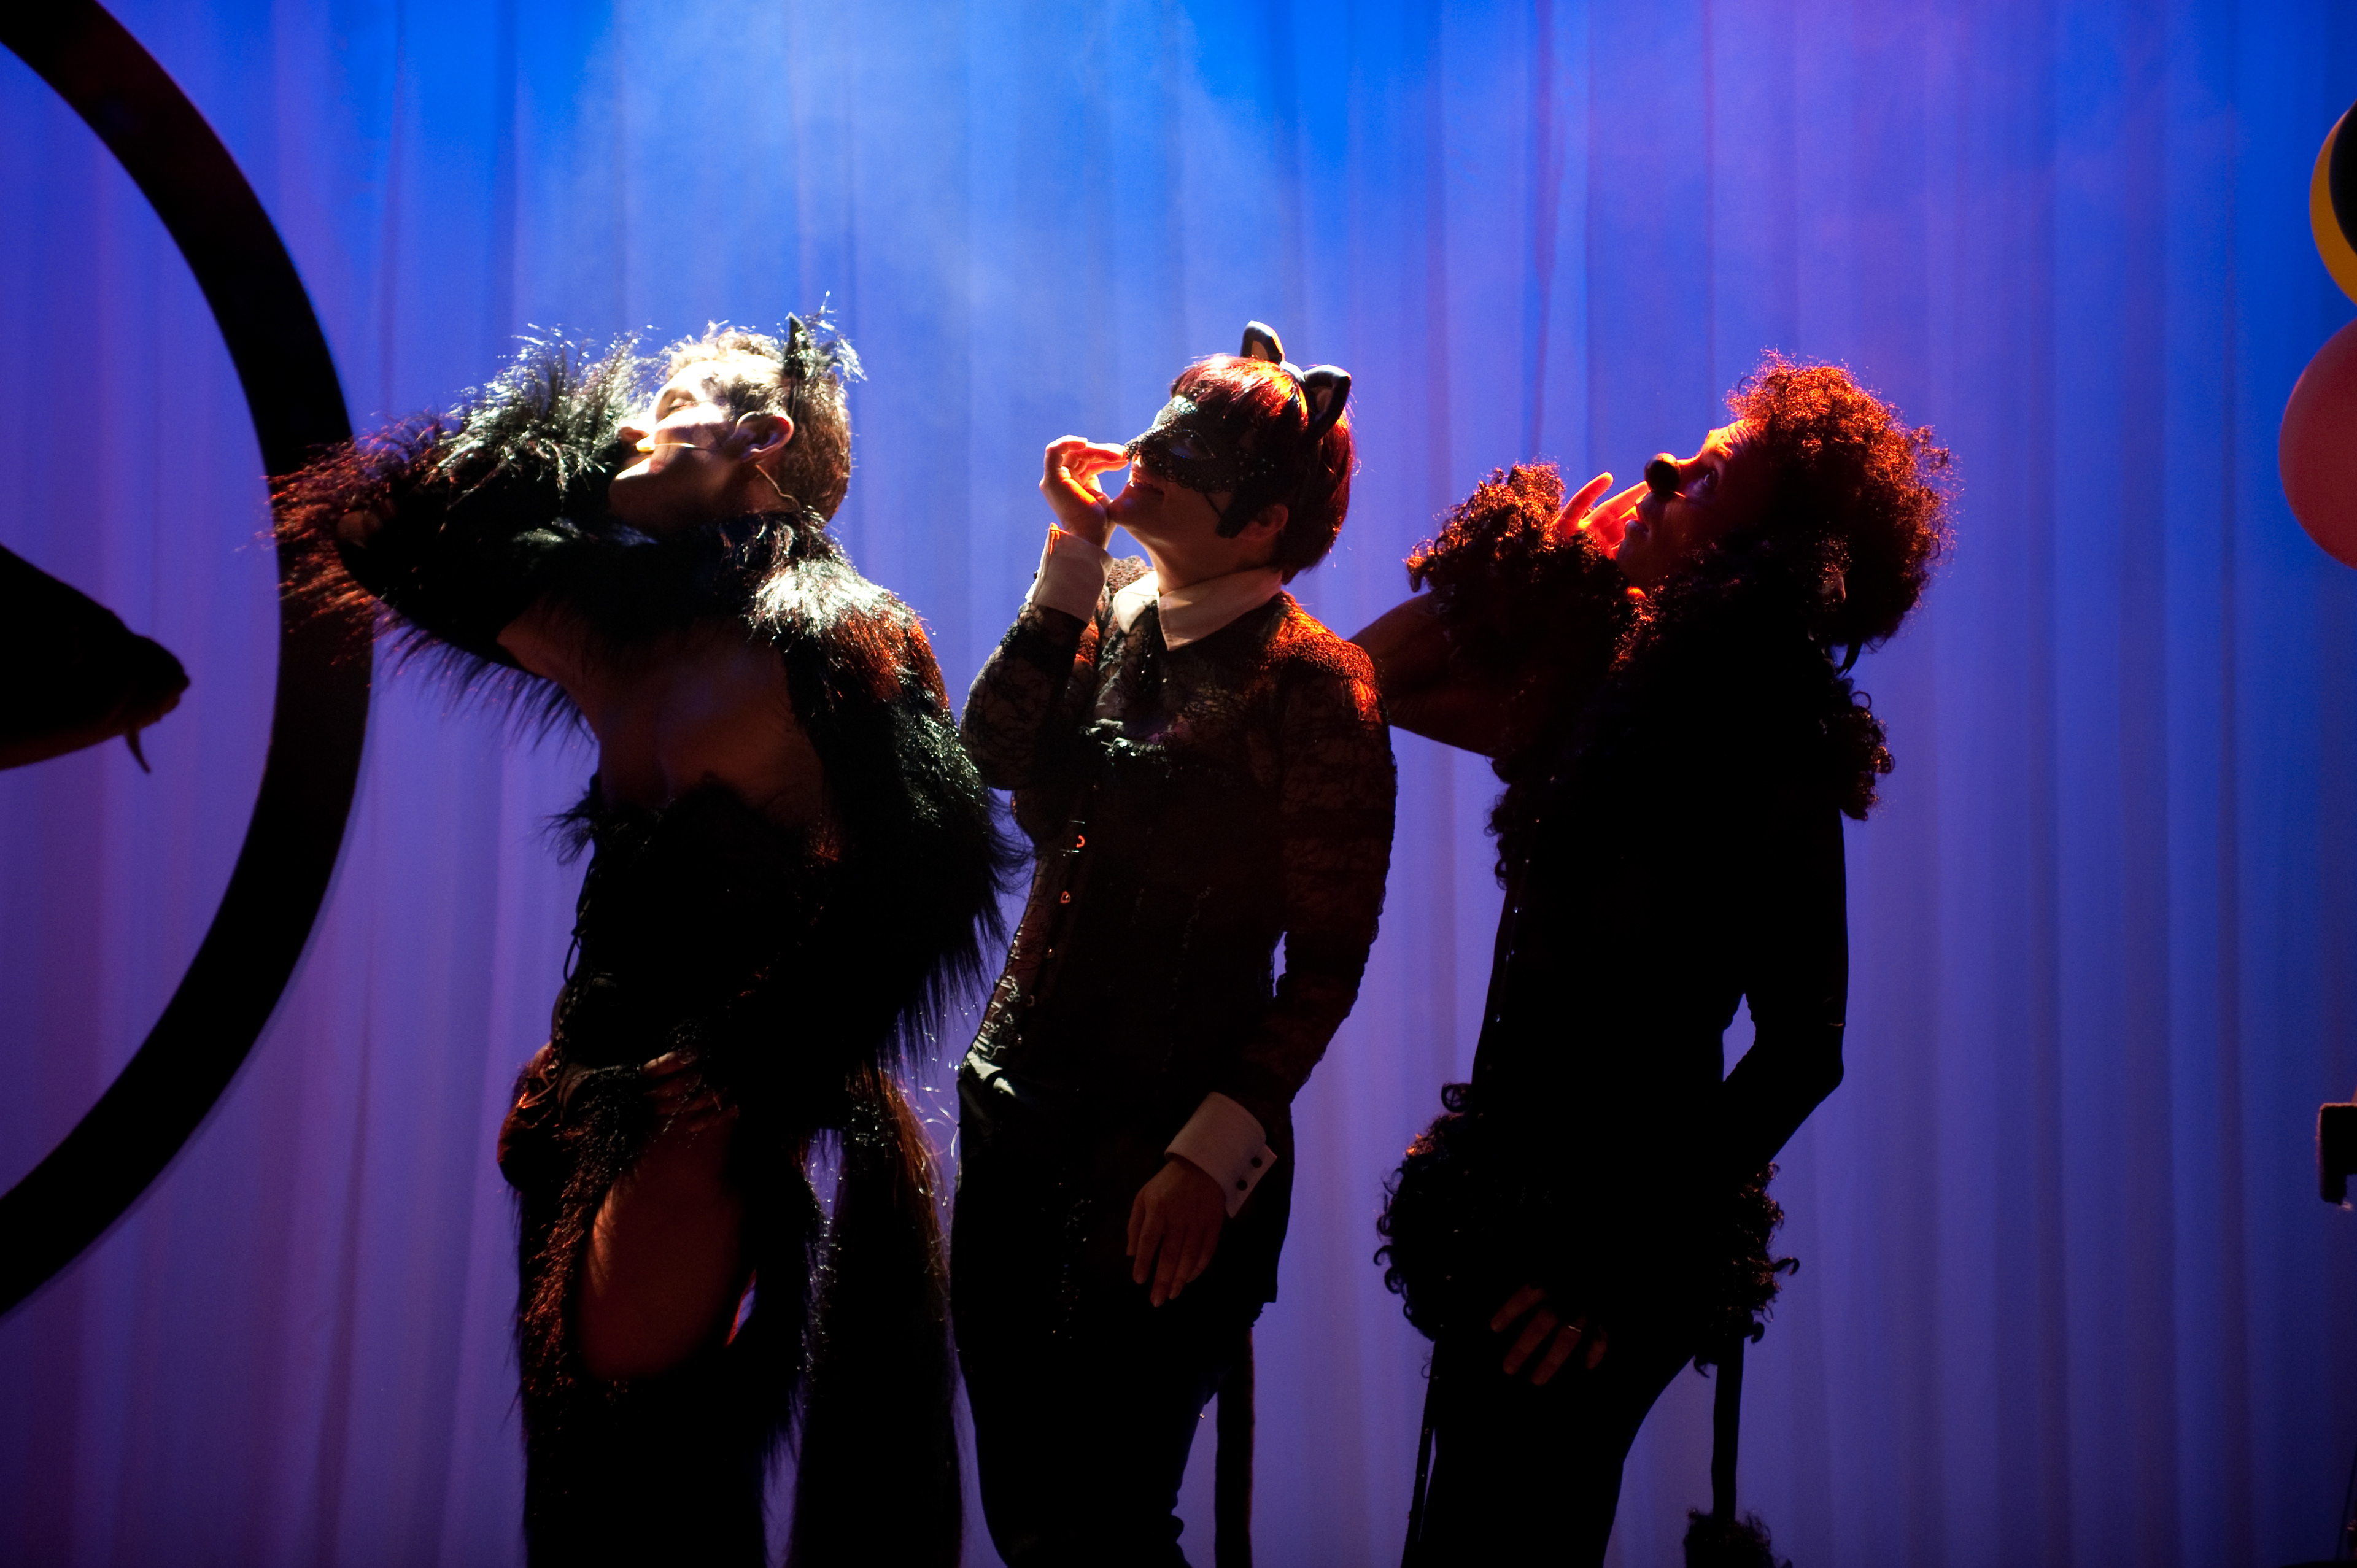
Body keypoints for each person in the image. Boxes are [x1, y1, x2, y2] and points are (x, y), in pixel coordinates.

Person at [275, 320, 1006, 1566]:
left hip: (702, 1114)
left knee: (642, 1479)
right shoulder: (611, 628)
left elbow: (935, 880)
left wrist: (759, 1055)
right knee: (582, 1488)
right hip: (578, 1090)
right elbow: (381, 527)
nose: (626, 422)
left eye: (668, 403)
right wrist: (567, 451)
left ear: (761, 438)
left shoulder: (837, 633)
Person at [1363, 356, 1950, 1566]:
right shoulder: (1608, 689)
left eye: (1713, 473)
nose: (1664, 467)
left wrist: (1612, 1263)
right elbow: (1361, 682)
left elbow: (1805, 1048)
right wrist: (1543, 576)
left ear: (1768, 550)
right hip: (1512, 1207)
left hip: (1602, 1247)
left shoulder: (1772, 743)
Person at [953, 323, 1396, 1566]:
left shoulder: (1317, 686)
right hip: (1013, 1119)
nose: (1143, 453)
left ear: (1264, 521)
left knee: (1105, 1525)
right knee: (1024, 1514)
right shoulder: (1116, 608)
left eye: (1186, 453)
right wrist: (1073, 557)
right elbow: (989, 752)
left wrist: (1211, 1158)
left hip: (1160, 1162)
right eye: (1158, 427)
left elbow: (1328, 965)